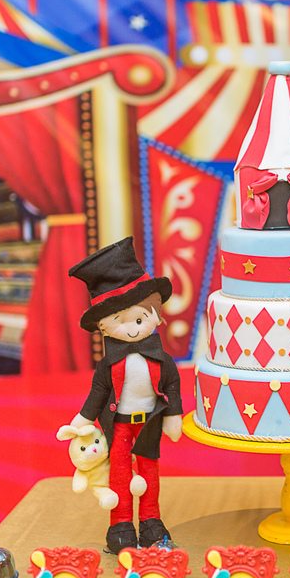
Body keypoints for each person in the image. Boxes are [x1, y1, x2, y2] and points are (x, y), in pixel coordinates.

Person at [68, 237, 183, 553]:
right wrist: (83, 419)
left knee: (149, 473)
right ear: (104, 327)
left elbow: (172, 385)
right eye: (120, 322)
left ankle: (151, 523)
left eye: (140, 319)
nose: (133, 329)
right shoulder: (108, 363)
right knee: (119, 473)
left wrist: (174, 416)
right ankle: (120, 525)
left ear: (155, 314)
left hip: (149, 423)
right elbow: (99, 391)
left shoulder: (162, 359)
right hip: (118, 425)